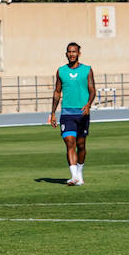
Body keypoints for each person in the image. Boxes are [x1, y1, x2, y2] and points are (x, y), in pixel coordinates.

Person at [48, 42, 95, 186]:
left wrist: (88, 105)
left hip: (82, 113)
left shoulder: (87, 70)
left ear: (79, 53)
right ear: (66, 54)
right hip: (67, 113)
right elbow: (57, 92)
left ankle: (79, 173)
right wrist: (53, 113)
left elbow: (92, 89)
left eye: (74, 51)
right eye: (69, 52)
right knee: (69, 142)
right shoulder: (61, 71)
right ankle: (74, 176)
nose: (72, 54)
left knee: (81, 145)